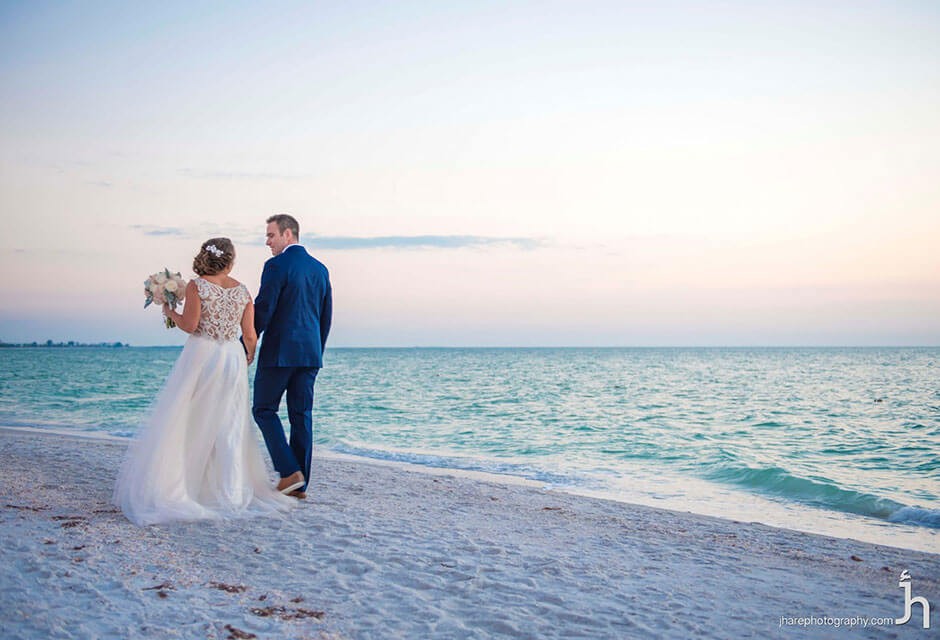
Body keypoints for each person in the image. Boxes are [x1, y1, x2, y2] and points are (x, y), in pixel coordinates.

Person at [113, 238, 293, 526]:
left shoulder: (198, 286)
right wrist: (247, 355)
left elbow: (190, 325)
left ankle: (186, 485)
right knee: (230, 422)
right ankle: (231, 491)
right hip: (231, 357)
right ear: (230, 261)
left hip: (204, 354)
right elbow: (249, 334)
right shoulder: (243, 290)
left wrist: (169, 310)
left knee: (189, 417)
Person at [252, 214, 332, 500]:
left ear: (288, 234)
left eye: (271, 235)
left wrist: (247, 342)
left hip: (279, 352)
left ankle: (288, 472)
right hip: (310, 354)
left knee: (263, 409)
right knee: (301, 416)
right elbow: (325, 317)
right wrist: (316, 352)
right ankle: (300, 485)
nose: (267, 241)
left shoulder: (276, 265)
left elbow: (264, 308)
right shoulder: (320, 269)